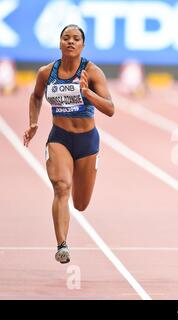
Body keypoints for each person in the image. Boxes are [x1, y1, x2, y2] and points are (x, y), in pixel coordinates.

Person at [23, 25, 115, 263]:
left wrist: (87, 93)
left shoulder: (93, 72)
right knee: (61, 187)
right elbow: (35, 96)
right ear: (60, 43)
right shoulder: (46, 72)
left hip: (87, 141)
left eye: (76, 39)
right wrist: (33, 123)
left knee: (81, 204)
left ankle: (83, 175)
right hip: (60, 137)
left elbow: (110, 109)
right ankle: (62, 245)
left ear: (82, 45)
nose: (71, 42)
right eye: (66, 38)